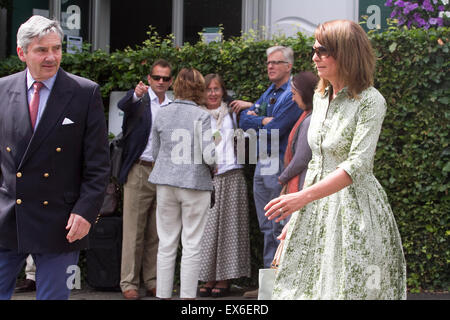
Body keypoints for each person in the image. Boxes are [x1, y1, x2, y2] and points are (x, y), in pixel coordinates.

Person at [265, 19, 407, 299]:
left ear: (346, 53)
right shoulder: (319, 97)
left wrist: (300, 199)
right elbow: (316, 162)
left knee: (347, 289)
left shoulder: (370, 101)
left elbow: (357, 166)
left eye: (323, 50)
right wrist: (297, 217)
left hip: (355, 211)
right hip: (315, 208)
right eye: (314, 49)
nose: (314, 57)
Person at [0, 15, 110, 300]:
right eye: (41, 50)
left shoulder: (84, 93)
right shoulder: (2, 90)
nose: (51, 57)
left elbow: (98, 165)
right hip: (8, 218)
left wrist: (86, 211)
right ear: (22, 53)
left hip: (60, 221)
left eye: (56, 48)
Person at [232, 46, 302, 297]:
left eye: (276, 62)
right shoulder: (271, 92)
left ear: (288, 66)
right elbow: (244, 121)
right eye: (268, 62)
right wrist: (260, 117)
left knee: (279, 226)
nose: (270, 66)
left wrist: (259, 117)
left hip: (279, 166)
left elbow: (277, 128)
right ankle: (268, 285)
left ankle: (281, 286)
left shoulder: (292, 94)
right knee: (266, 225)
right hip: (263, 164)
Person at [149, 68, 215, 300]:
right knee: (192, 245)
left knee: (166, 244)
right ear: (200, 88)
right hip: (195, 183)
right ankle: (188, 299)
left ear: (176, 86)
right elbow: (209, 156)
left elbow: (155, 152)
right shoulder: (203, 116)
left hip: (165, 182)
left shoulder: (163, 113)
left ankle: (163, 296)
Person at [116, 59, 173, 300]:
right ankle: (129, 282)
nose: (161, 82)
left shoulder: (172, 105)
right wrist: (136, 95)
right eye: (156, 77)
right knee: (133, 232)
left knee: (157, 232)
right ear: (149, 79)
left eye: (165, 78)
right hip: (139, 170)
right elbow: (124, 105)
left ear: (170, 81)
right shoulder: (139, 100)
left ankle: (153, 281)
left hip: (163, 172)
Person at [198, 74, 251, 298]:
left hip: (232, 174)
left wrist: (251, 105)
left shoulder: (233, 113)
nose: (212, 93)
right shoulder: (198, 114)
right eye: (208, 89)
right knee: (207, 231)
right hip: (207, 178)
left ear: (223, 91)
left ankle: (224, 279)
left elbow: (252, 131)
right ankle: (208, 277)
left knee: (230, 228)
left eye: (217, 89)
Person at [278, 71, 318, 196]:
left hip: (304, 183)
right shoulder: (309, 116)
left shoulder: (310, 120)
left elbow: (301, 158)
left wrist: (283, 178)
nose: (293, 98)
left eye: (294, 94)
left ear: (304, 94)